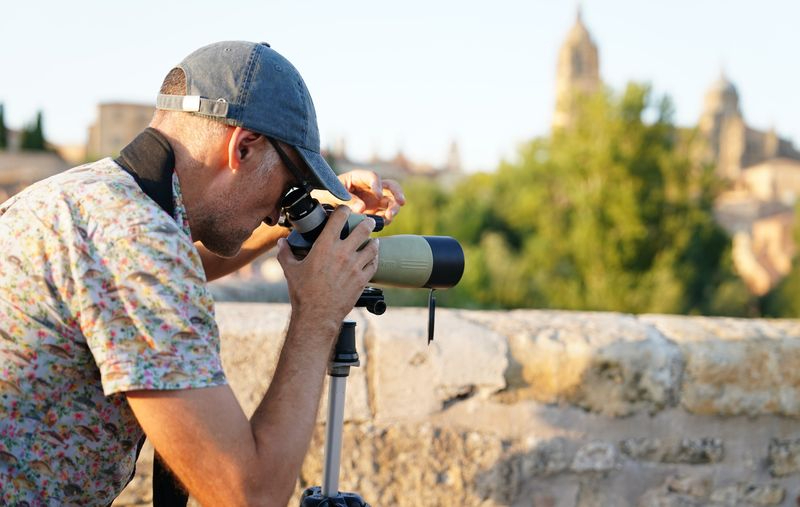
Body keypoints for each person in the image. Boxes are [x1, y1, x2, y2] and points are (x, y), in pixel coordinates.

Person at [0, 41, 405, 506]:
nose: (280, 210)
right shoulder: (136, 241)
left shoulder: (91, 194)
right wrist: (317, 314)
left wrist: (302, 222)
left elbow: (177, 267)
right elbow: (248, 495)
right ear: (244, 148)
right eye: (291, 185)